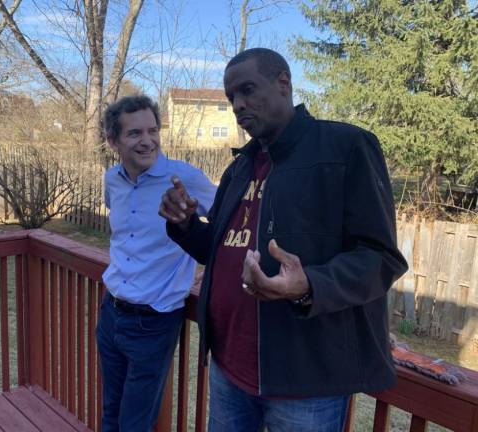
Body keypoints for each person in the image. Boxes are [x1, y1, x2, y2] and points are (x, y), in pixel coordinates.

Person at [159, 48, 408, 431]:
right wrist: (186, 224)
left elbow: (380, 258)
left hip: (306, 382)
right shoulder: (241, 166)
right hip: (228, 366)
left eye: (247, 90)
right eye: (231, 98)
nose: (239, 105)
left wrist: (308, 284)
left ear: (283, 83)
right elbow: (219, 249)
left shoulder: (345, 148)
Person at [97, 95, 216, 431]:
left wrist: (209, 257)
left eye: (152, 130)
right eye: (134, 133)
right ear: (113, 141)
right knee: (110, 411)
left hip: (155, 319)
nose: (147, 140)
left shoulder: (184, 179)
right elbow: (124, 235)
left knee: (135, 422)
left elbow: (231, 220)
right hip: (111, 313)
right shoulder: (112, 180)